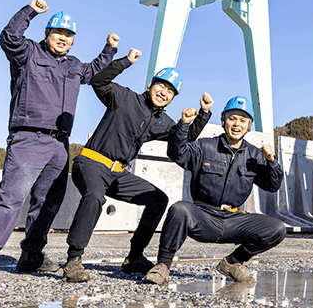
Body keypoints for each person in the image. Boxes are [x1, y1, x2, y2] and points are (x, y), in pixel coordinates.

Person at [0, 0, 117, 278]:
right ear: (47, 34)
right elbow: (9, 37)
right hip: (28, 137)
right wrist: (30, 11)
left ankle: (31, 255)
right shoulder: (28, 53)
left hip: (60, 144)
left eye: (68, 35)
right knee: (12, 196)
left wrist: (110, 48)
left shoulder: (72, 66)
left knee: (48, 201)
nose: (63, 38)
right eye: (58, 33)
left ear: (72, 41)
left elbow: (95, 70)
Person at [62, 51, 214, 283]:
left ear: (173, 98)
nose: (164, 93)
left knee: (158, 200)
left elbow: (184, 138)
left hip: (118, 173)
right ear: (151, 84)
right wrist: (125, 62)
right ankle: (73, 260)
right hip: (91, 162)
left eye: (171, 91)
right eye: (161, 86)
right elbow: (98, 81)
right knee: (94, 196)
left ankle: (134, 257)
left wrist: (201, 115)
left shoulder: (161, 121)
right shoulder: (123, 97)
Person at [142, 96, 285, 286]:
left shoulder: (255, 155)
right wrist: (184, 125)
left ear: (249, 125)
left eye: (243, 121)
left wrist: (271, 162)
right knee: (179, 209)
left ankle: (233, 263)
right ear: (223, 120)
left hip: (234, 219)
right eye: (232, 118)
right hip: (203, 216)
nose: (237, 124)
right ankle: (163, 266)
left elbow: (272, 186)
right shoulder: (204, 146)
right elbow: (177, 153)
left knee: (276, 229)